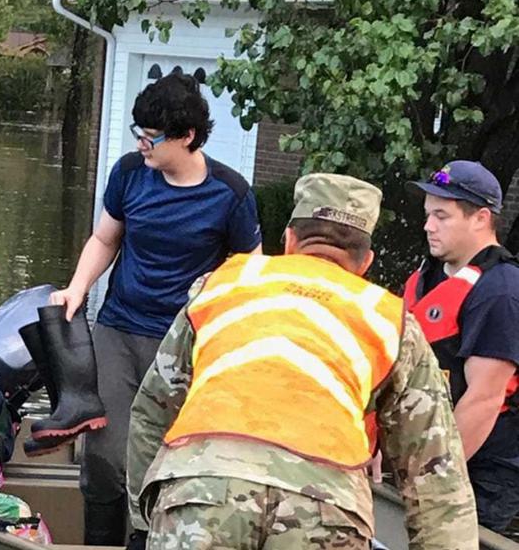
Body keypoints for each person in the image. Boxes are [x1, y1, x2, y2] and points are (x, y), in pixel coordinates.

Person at [126, 173, 479, 550]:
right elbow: (436, 473)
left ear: (289, 241)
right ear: (366, 263)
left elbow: (153, 411)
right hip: (326, 505)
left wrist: (143, 521)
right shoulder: (390, 320)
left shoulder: (221, 286)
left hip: (202, 488)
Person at [50, 73, 262, 545]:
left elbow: (248, 275)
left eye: (151, 137)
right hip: (120, 328)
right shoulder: (129, 173)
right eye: (137, 134)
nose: (142, 145)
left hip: (185, 344)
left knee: (167, 457)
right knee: (105, 453)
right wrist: (77, 289)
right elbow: (106, 237)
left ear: (187, 137)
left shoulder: (231, 193)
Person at [405, 160, 519, 533]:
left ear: (481, 218)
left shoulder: (500, 291)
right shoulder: (427, 277)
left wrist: (433, 480)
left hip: (482, 473)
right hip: (419, 456)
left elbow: (484, 399)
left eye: (442, 216)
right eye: (427, 214)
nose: (427, 226)